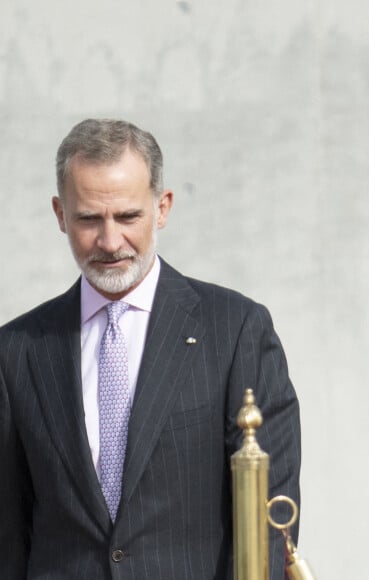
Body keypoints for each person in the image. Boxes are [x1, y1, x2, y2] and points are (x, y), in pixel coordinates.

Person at [0, 118, 301, 579]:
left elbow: (267, 516)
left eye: (127, 216)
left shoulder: (235, 329)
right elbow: (10, 529)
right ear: (60, 215)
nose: (109, 240)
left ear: (162, 208)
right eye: (88, 219)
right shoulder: (17, 350)